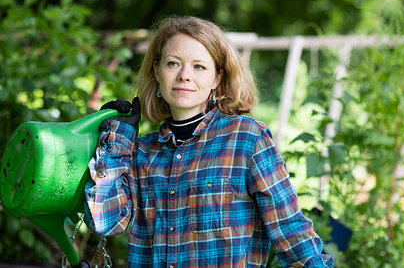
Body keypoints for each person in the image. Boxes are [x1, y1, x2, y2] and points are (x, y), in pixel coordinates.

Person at [84, 16, 335, 267]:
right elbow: (106, 222)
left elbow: (290, 231)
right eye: (173, 64)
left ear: (216, 79)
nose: (184, 75)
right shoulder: (142, 152)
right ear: (156, 71)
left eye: (199, 67)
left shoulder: (247, 139)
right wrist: (118, 140)